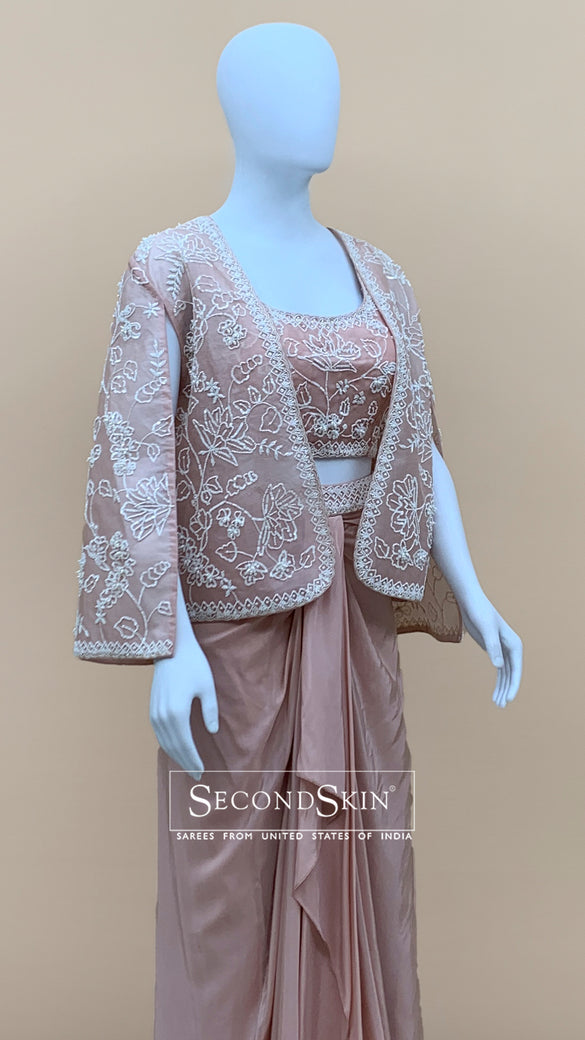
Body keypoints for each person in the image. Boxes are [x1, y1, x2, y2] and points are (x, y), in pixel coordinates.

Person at [73, 22, 523, 1040]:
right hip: (234, 632)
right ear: (235, 106)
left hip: (355, 624)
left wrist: (476, 595)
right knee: (226, 894)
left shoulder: (381, 276)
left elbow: (417, 448)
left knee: (370, 859)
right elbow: (136, 458)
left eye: (327, 84)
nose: (319, 106)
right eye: (288, 85)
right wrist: (168, 641)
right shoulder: (172, 267)